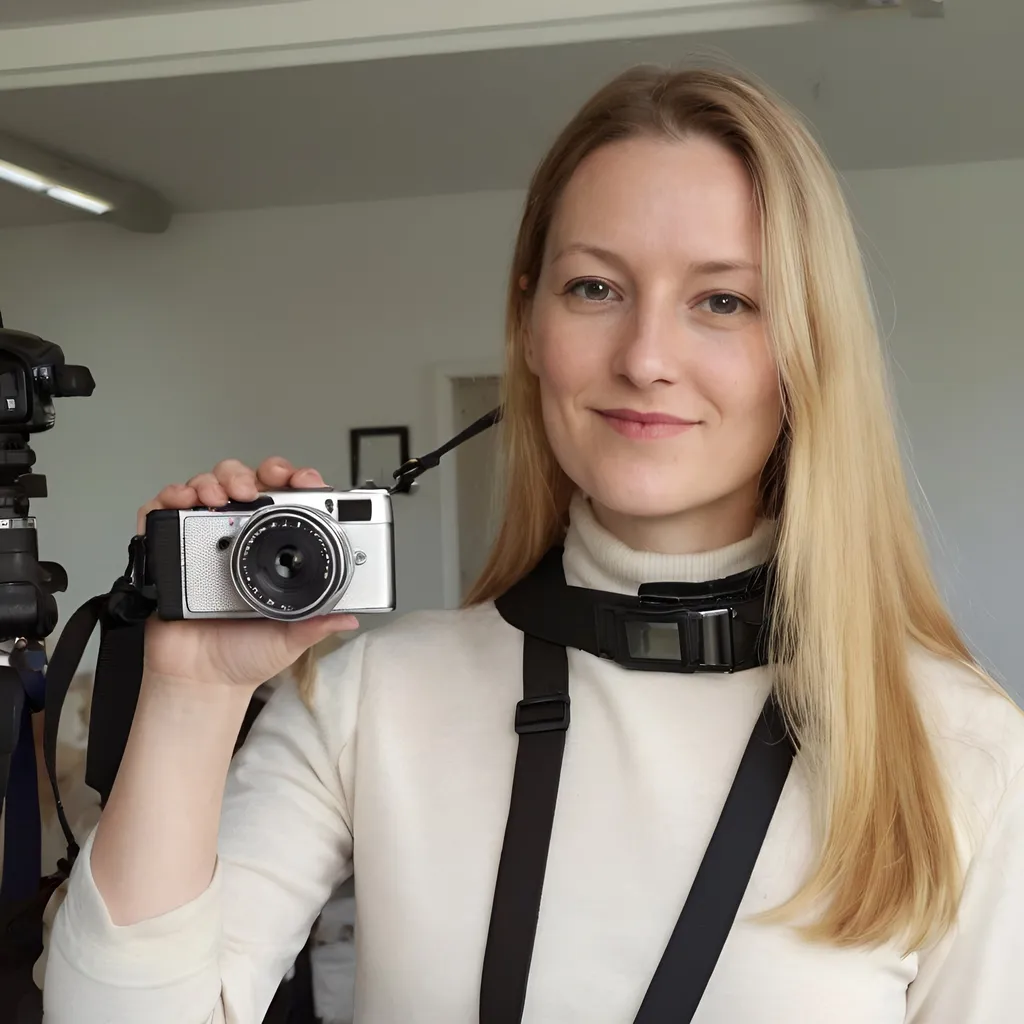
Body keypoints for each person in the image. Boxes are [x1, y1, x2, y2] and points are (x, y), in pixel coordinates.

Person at [41, 64, 1024, 1023]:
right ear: (527, 321)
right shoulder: (370, 699)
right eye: (595, 289)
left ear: (807, 345)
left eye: (722, 300)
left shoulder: (961, 746)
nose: (643, 357)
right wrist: (191, 699)